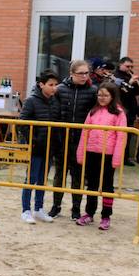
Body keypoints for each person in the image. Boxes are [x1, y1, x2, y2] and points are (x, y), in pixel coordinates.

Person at [75, 82, 128, 230]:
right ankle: (89, 213)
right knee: (91, 184)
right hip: (92, 152)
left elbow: (121, 136)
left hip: (108, 154)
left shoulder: (119, 113)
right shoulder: (93, 111)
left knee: (106, 186)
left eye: (105, 95)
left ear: (113, 96)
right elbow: (85, 132)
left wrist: (117, 157)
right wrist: (81, 153)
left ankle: (106, 216)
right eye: (99, 95)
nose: (102, 98)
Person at [48, 60, 97, 220]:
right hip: (62, 138)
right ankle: (56, 206)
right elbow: (54, 111)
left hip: (81, 140)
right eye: (81, 73)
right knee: (60, 174)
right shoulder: (60, 89)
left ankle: (76, 208)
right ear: (71, 74)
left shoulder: (92, 91)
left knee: (78, 176)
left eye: (86, 73)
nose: (84, 76)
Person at [19, 70, 61, 224]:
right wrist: (33, 140)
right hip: (36, 147)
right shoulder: (31, 101)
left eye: (56, 85)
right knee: (31, 179)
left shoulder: (55, 101)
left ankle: (39, 209)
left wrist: (56, 141)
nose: (54, 88)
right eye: (51, 85)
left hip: (49, 148)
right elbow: (22, 122)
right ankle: (26, 210)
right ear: (41, 84)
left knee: (43, 179)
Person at [113, 56, 139, 166]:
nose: (130, 68)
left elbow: (137, 92)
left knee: (128, 134)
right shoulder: (116, 76)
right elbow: (121, 92)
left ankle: (126, 157)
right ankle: (119, 157)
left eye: (131, 66)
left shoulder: (130, 75)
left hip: (131, 109)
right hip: (122, 108)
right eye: (127, 66)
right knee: (120, 135)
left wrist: (136, 83)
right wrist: (130, 82)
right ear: (120, 65)